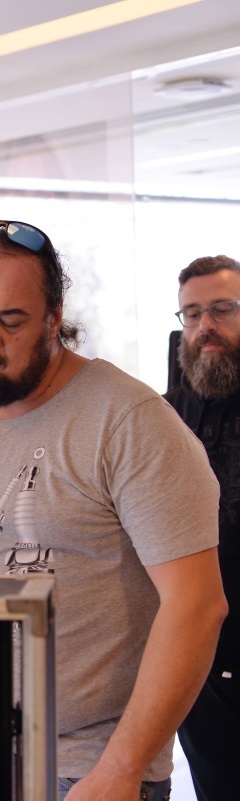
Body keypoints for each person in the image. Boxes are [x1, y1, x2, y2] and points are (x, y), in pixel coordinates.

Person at [0, 220, 227, 801]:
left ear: (54, 319)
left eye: (11, 320)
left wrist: (122, 767)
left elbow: (197, 606)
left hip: (83, 770)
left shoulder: (129, 421)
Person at [164, 255, 240, 801]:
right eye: (192, 314)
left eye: (222, 310)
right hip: (197, 663)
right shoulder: (159, 418)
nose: (205, 326)